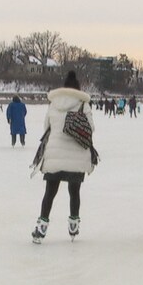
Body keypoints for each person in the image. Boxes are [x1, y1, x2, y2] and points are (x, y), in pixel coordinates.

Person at [31, 70, 95, 243]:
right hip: (77, 156)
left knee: (50, 192)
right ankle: (74, 224)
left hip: (54, 155)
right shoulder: (83, 104)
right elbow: (91, 128)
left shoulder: (54, 104)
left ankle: (41, 228)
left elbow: (46, 127)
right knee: (74, 191)